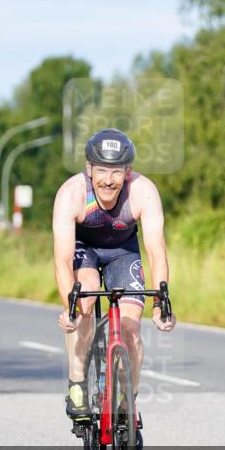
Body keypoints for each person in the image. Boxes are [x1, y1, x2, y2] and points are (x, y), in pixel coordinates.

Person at [52, 128, 176, 422]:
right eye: (101, 171)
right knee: (85, 302)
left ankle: (127, 402)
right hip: (85, 250)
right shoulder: (72, 194)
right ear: (89, 169)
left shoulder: (143, 191)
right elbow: (63, 259)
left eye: (116, 172)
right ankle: (78, 382)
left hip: (123, 251)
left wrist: (162, 303)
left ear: (128, 171)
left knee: (132, 329)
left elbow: (157, 251)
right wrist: (69, 308)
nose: (108, 180)